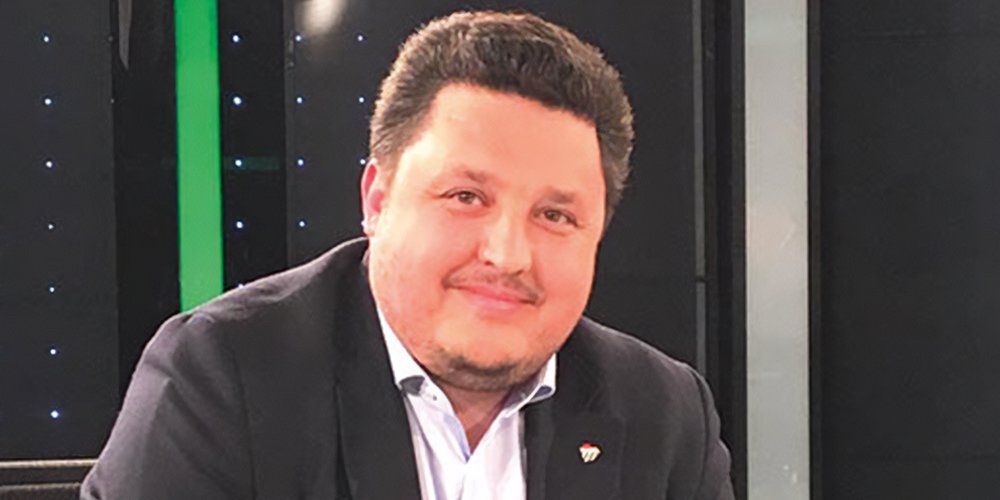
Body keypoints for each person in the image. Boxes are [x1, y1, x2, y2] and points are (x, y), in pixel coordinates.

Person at [81, 10, 734, 500]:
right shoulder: (227, 378)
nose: (508, 255)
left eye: (555, 216)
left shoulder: (664, 414)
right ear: (377, 199)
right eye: (466, 197)